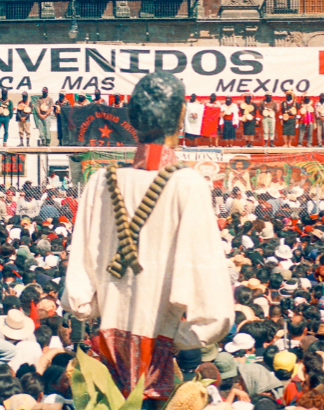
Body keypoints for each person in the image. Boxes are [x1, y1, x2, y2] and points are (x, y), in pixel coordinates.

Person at [62, 71, 234, 401]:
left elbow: (79, 286)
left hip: (105, 360)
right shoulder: (189, 184)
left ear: (134, 119)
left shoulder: (100, 180)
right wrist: (177, 336)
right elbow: (214, 307)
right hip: (158, 361)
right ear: (181, 117)